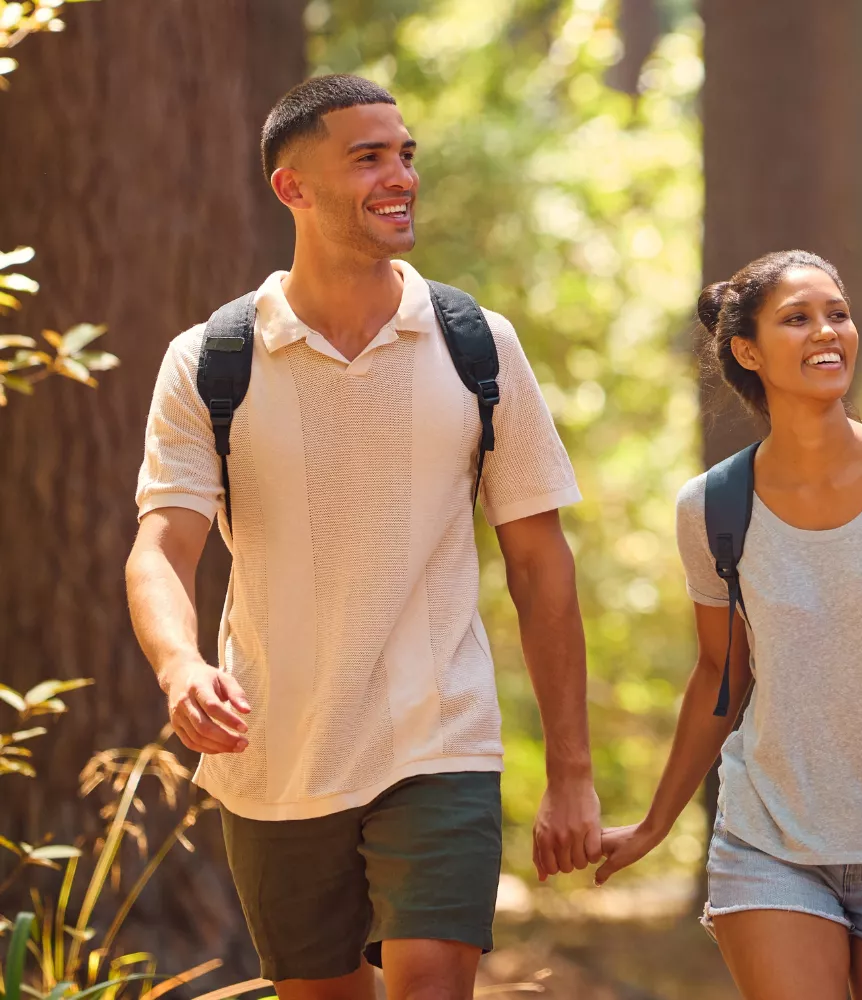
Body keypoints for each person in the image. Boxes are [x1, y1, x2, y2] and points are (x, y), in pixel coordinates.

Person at [124, 74, 601, 1000]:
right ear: (292, 187)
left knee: (430, 985)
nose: (401, 176)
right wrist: (181, 666)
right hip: (274, 752)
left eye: (407, 154)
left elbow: (540, 566)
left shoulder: (476, 344)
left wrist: (571, 774)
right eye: (369, 158)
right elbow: (161, 546)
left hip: (439, 738)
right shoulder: (211, 360)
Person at [593, 250, 862, 999]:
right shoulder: (712, 508)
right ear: (747, 351)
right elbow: (720, 673)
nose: (828, 332)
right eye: (798, 318)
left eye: (837, 313)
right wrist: (654, 824)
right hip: (768, 841)